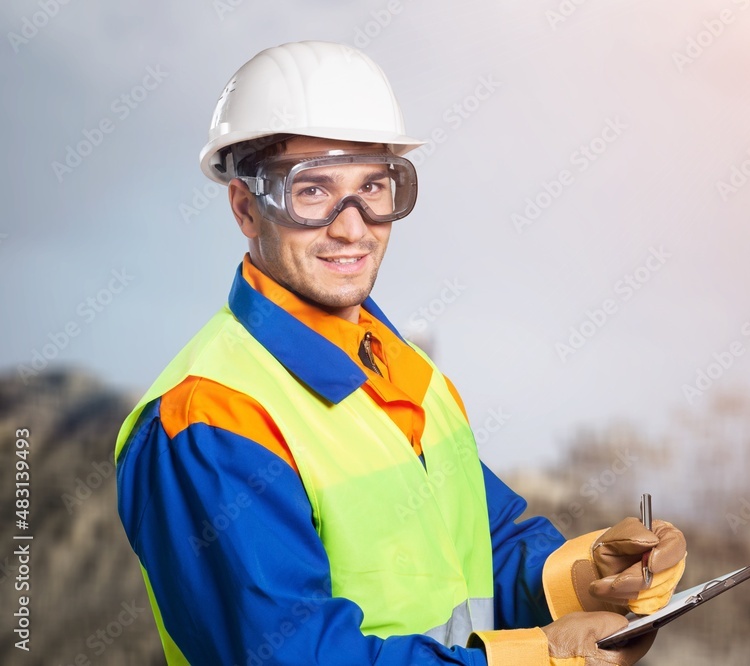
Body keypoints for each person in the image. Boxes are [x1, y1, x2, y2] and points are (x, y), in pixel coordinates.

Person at [114, 41, 687, 666]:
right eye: (313, 192)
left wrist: (585, 579)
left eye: (374, 188)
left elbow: (475, 549)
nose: (352, 226)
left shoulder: (408, 374)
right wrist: (537, 658)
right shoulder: (209, 418)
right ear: (247, 208)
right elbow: (295, 654)